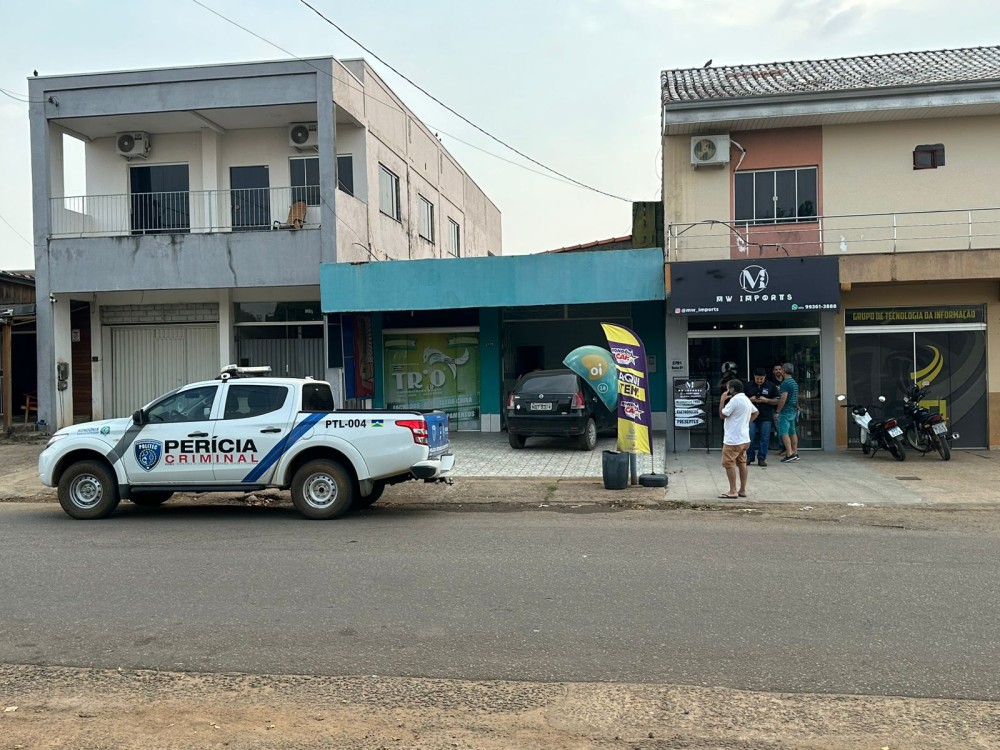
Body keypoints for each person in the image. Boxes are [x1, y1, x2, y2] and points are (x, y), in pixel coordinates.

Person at [718, 378, 758, 499]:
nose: (726, 390)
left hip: (733, 439)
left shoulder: (734, 400)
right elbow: (756, 412)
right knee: (742, 463)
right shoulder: (746, 399)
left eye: (728, 387)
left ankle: (733, 490)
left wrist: (722, 400)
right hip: (744, 438)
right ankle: (743, 490)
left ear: (732, 389)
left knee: (728, 463)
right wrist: (746, 423)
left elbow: (722, 415)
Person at [745, 367, 779, 466]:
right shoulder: (748, 386)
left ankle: (762, 458)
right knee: (750, 436)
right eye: (757, 379)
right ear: (754, 377)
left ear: (765, 377)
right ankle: (749, 457)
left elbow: (777, 400)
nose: (759, 381)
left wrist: (766, 400)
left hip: (766, 416)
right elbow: (741, 399)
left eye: (761, 379)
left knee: (765, 438)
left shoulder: (771, 386)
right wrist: (750, 399)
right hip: (751, 416)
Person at [775, 362, 800, 463]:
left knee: (784, 432)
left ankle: (789, 453)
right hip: (792, 410)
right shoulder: (794, 383)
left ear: (784, 370)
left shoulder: (785, 383)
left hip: (785, 411)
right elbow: (795, 396)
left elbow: (783, 398)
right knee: (792, 432)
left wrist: (778, 411)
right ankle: (795, 452)